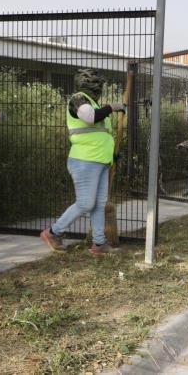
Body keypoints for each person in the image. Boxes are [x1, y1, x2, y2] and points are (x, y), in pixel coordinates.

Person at [40, 69, 126, 255]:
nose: (99, 87)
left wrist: (112, 155)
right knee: (86, 203)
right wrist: (112, 107)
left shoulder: (93, 103)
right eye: (98, 84)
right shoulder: (78, 99)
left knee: (98, 204)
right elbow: (89, 118)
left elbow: (99, 135)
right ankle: (53, 232)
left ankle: (99, 244)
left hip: (101, 161)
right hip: (84, 161)